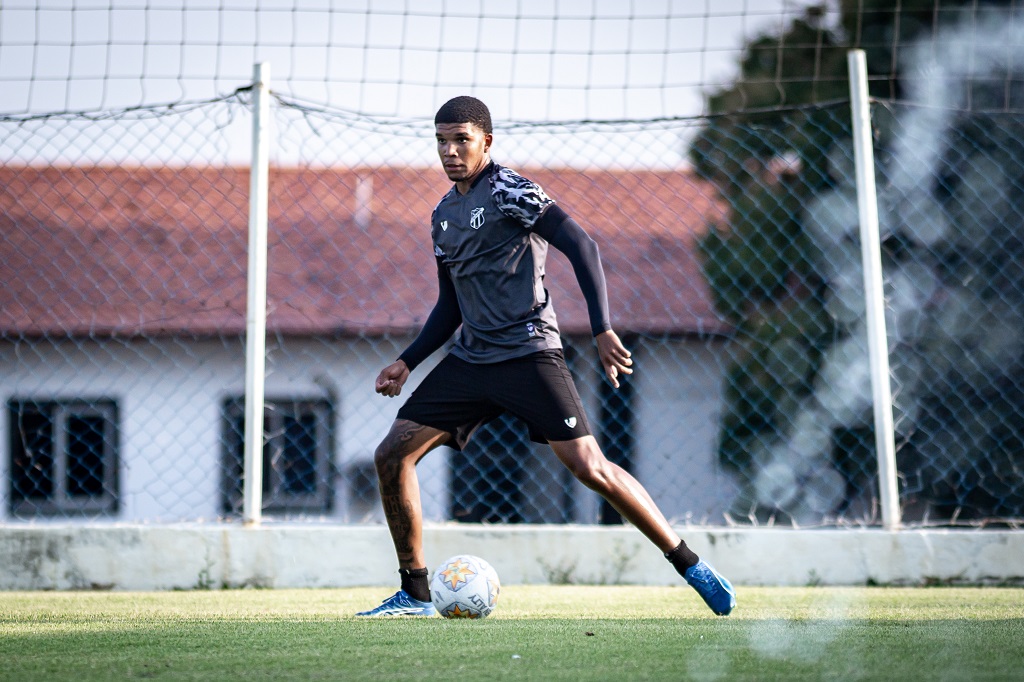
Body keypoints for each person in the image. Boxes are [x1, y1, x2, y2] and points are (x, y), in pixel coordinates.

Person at [355, 96, 735, 617]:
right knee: (392, 454)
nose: (449, 150)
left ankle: (690, 564)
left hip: (529, 352)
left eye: (461, 139)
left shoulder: (512, 190)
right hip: (471, 361)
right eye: (441, 140)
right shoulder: (443, 217)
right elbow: (451, 305)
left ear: (487, 141)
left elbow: (582, 245)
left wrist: (601, 328)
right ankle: (415, 593)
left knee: (589, 467)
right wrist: (408, 360)